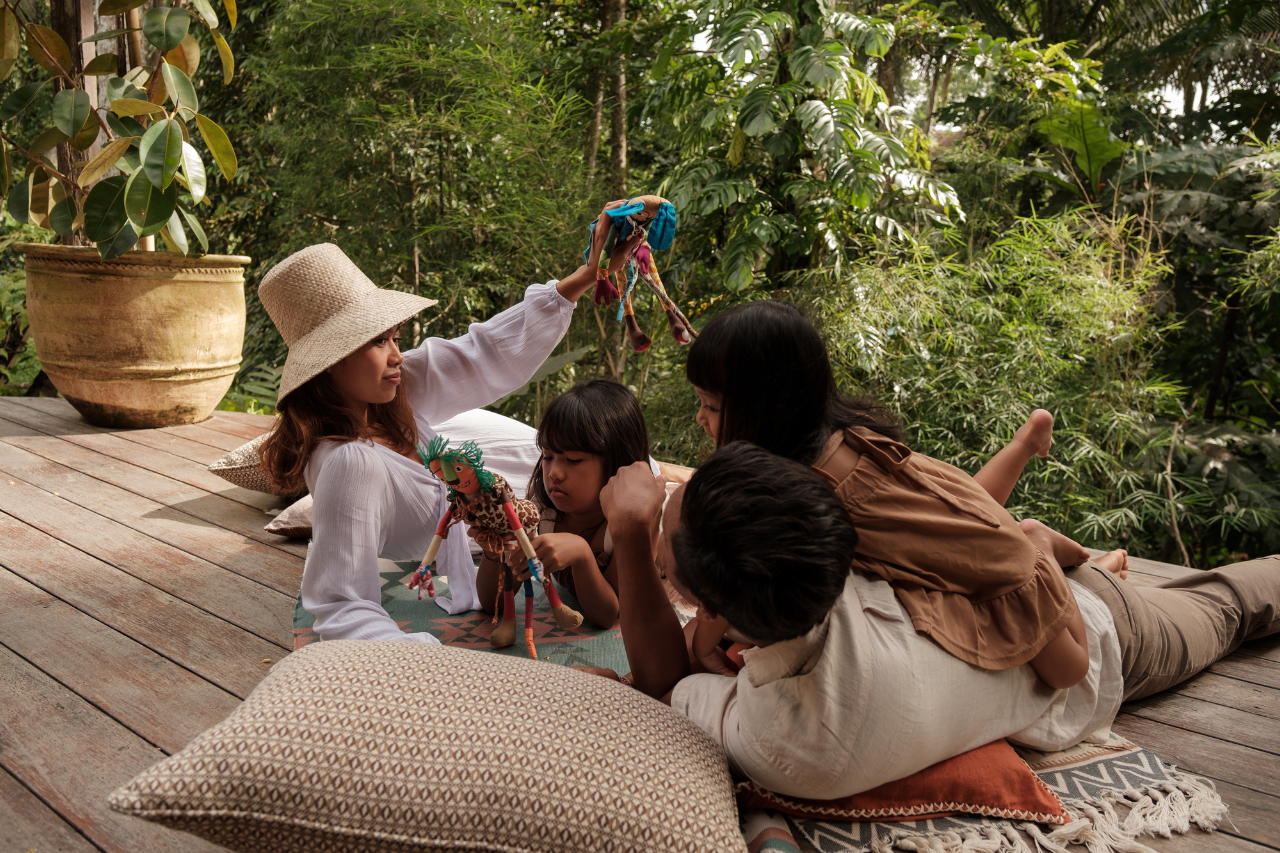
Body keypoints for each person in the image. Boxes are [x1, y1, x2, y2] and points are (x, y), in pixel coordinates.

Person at [594, 443, 1280, 799]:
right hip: (1068, 604)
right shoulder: (835, 550)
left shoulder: (781, 739)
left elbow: (665, 684)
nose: (666, 499)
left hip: (1107, 634)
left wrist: (627, 530)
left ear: (711, 608)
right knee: (1222, 594)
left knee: (1236, 603)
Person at [682, 299, 1126, 687]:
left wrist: (702, 639)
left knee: (1070, 671)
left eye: (712, 406)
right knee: (970, 511)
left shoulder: (803, 489)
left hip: (1001, 562)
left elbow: (732, 563)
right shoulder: (829, 433)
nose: (700, 417)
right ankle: (1024, 446)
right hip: (947, 507)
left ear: (770, 408)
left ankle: (1040, 545)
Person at [257, 232, 607, 644]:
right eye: (377, 341)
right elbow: (341, 605)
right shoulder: (349, 465)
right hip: (467, 506)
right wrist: (425, 662)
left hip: (468, 470)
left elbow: (485, 353)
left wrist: (585, 276)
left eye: (394, 338)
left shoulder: (391, 393)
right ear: (329, 363)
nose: (397, 355)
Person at [477, 379, 680, 629]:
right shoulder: (542, 506)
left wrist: (581, 554)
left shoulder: (636, 513)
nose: (554, 473)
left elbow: (610, 615)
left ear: (617, 462)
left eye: (573, 459)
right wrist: (494, 549)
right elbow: (493, 604)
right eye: (548, 456)